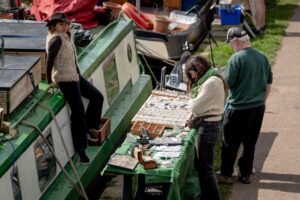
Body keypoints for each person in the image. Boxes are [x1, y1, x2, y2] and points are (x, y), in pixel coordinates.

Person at [46, 12, 104, 165]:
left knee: (97, 97)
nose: (65, 26)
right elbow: (49, 61)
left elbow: (72, 58)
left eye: (66, 23)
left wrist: (78, 73)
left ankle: (91, 128)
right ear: (54, 26)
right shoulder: (56, 39)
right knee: (78, 113)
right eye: (61, 24)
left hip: (75, 76)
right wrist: (49, 80)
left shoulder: (68, 35)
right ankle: (81, 150)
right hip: (65, 80)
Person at [218, 27, 272, 184]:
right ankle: (245, 172)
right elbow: (268, 82)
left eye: (230, 43)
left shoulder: (235, 59)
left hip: (238, 108)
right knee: (250, 143)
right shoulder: (262, 57)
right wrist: (262, 101)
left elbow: (227, 83)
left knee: (230, 142)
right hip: (258, 108)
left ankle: (226, 174)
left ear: (235, 42)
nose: (230, 46)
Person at [186, 55, 227, 200]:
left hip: (208, 127)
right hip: (208, 125)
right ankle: (206, 196)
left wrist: (190, 100)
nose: (193, 78)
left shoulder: (211, 83)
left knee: (206, 168)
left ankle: (213, 197)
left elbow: (194, 106)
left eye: (192, 74)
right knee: (202, 166)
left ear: (199, 69)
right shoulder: (211, 79)